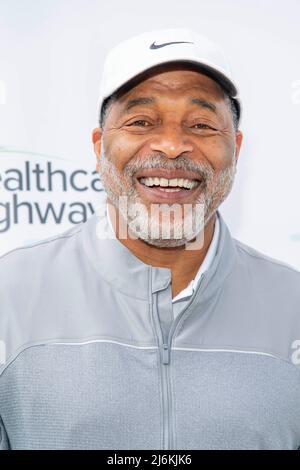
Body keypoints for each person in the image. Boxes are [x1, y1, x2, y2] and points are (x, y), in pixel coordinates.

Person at [0, 28, 300, 450]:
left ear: (236, 147)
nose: (173, 145)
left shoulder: (293, 304)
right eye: (141, 121)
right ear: (99, 145)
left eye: (201, 124)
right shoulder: (9, 295)